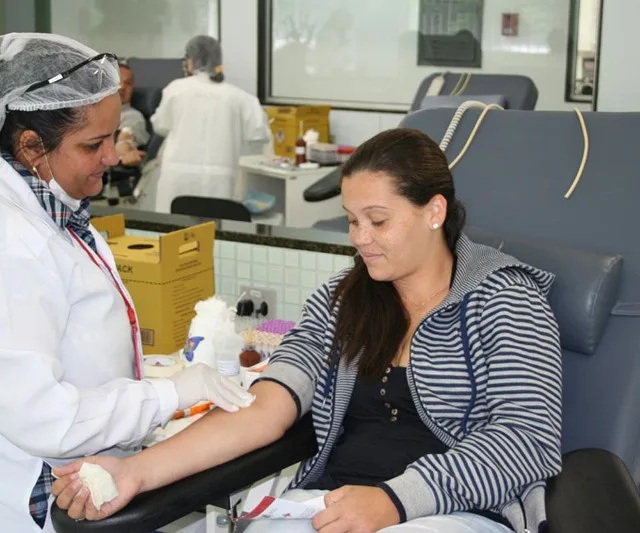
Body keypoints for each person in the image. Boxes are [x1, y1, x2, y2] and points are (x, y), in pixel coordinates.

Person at [54, 128, 562, 533]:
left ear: (434, 211)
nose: (360, 239)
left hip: (456, 513)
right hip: (331, 503)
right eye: (351, 220)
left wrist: (393, 501)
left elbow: (527, 440)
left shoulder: (503, 299)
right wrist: (137, 472)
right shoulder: (344, 300)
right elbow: (266, 410)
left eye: (378, 221)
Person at [0, 32, 254, 533]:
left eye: (112, 137)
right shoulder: (13, 242)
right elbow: (44, 416)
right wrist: (169, 396)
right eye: (93, 144)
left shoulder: (55, 208)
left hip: (93, 464)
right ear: (31, 147)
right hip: (49, 493)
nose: (113, 158)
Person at [150, 35, 270, 213]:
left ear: (190, 61)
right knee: (213, 232)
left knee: (173, 232)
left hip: (177, 177)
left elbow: (160, 125)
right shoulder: (240, 97)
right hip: (219, 180)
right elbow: (259, 134)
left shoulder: (175, 89)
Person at [115, 59, 148, 167]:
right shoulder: (88, 112)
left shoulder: (133, 117)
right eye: (118, 81)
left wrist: (126, 154)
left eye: (128, 83)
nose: (122, 87)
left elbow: (125, 138)